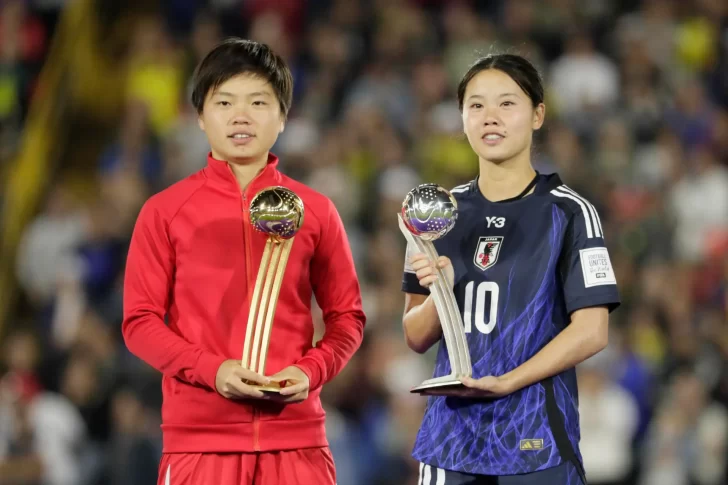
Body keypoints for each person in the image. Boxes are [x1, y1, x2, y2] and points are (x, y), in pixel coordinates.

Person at [122, 38, 366, 485]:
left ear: (282, 116)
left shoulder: (315, 210)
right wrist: (212, 370)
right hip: (200, 443)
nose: (241, 115)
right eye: (224, 101)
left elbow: (347, 318)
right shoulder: (164, 211)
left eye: (258, 101)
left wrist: (309, 372)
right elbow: (139, 323)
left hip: (297, 443)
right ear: (199, 115)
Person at [402, 53, 621, 485]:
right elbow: (415, 335)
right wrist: (443, 291)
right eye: (476, 105)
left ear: (538, 114)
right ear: (462, 118)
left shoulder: (570, 212)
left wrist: (507, 381)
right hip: (452, 438)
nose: (490, 118)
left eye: (507, 104)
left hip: (536, 434)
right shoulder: (438, 214)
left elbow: (592, 330)